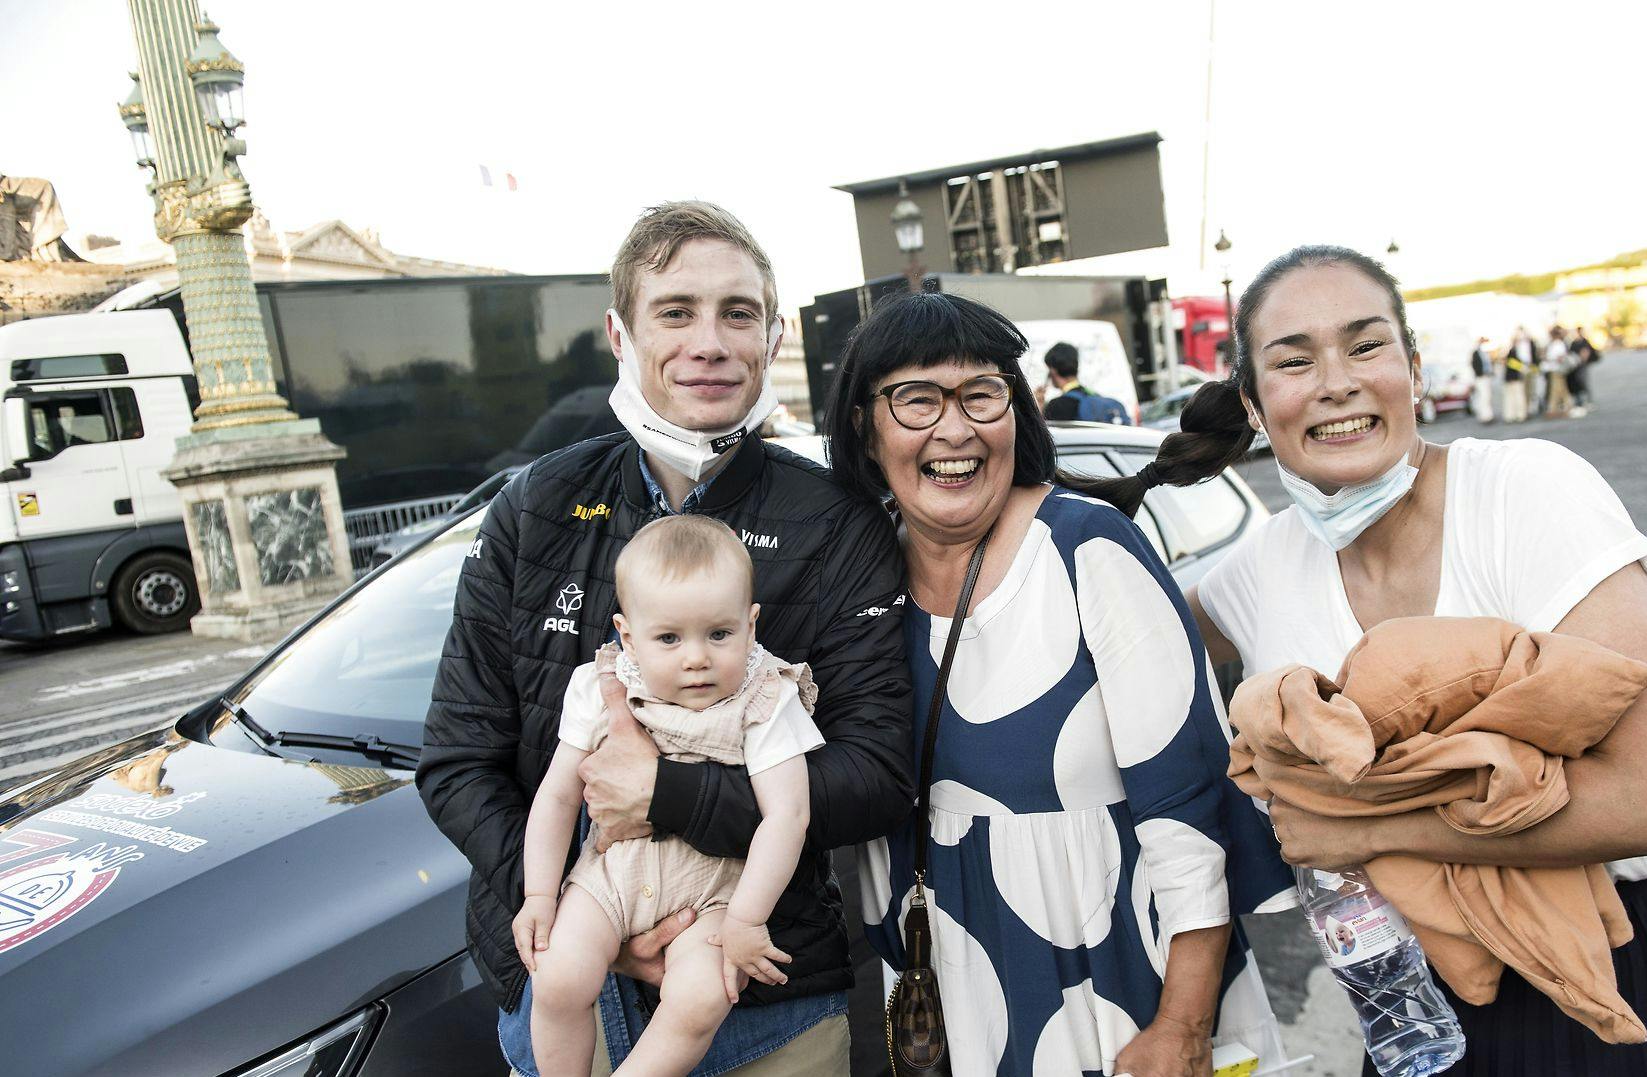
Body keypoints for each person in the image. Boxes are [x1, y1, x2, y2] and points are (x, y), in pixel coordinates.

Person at [1112, 244, 1647, 1075]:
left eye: (1366, 346)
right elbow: (1120, 640)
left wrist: (1362, 823)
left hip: (1631, 968)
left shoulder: (1525, 491)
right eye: (1294, 360)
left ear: (1413, 368)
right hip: (1426, 1009)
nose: (1336, 381)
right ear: (1257, 407)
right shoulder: (1264, 566)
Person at [419, 201, 914, 1077]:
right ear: (620, 331)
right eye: (675, 311)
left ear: (774, 333)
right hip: (562, 994)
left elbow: (876, 777)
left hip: (764, 999)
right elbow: (459, 760)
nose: (709, 342)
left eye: (738, 312)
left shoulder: (839, 520)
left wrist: (665, 793)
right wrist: (585, 915)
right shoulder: (534, 506)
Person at [828, 292, 1294, 1076]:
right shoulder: (860, 578)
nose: (955, 428)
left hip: (1115, 987)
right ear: (866, 431)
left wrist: (1183, 1021)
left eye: (981, 393)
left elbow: (1189, 804)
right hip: (950, 998)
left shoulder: (1086, 548)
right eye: (916, 399)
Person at [517, 517, 822, 1077]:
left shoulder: (765, 699)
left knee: (702, 997)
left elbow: (789, 815)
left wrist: (747, 920)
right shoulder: (601, 686)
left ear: (751, 625)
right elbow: (557, 797)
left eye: (719, 634)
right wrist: (539, 895)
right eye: (669, 638)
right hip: (609, 881)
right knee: (558, 980)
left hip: (712, 898)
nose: (696, 658)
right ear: (627, 635)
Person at [1041, 340, 1132, 424]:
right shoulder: (1093, 396)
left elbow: (1045, 438)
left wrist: (1039, 408)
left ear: (1052, 370)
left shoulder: (1056, 406)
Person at [1542, 326, 1574, 417]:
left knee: (1556, 390)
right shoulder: (1554, 344)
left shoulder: (1558, 344)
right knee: (1561, 389)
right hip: (1554, 369)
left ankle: (1554, 409)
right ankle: (1566, 406)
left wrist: (1549, 358)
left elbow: (1561, 357)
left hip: (1557, 369)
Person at [1501, 329, 1530, 423]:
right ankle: (1518, 415)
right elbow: (1514, 365)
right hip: (1515, 378)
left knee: (1512, 397)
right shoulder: (1515, 352)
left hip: (1511, 378)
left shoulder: (1512, 351)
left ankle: (1512, 415)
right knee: (1517, 396)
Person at [1569, 326, 1599, 415]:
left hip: (1582, 365)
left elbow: (1586, 353)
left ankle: (1588, 401)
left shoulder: (1584, 342)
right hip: (1575, 366)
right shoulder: (1574, 343)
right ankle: (1581, 401)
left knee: (1584, 382)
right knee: (1577, 382)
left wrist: (1582, 361)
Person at [1469, 337, 1495, 424]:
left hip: (1486, 376)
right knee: (1483, 397)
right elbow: (1474, 365)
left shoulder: (1484, 353)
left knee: (1487, 396)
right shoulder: (1476, 353)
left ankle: (1488, 415)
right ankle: (1485, 416)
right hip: (1481, 377)